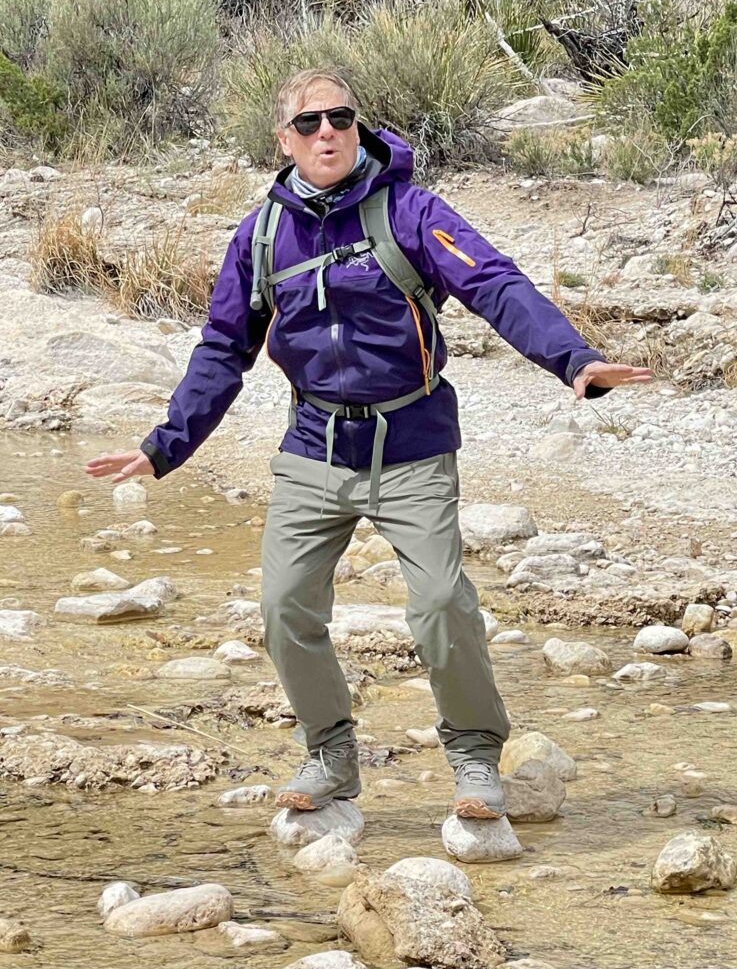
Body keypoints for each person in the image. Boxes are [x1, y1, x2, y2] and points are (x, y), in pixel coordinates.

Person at [86, 69, 652, 819]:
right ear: (282, 140)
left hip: (412, 444)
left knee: (442, 603)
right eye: (311, 123)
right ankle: (329, 756)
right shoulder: (260, 235)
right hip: (314, 448)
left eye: (342, 118)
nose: (328, 133)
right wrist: (164, 446)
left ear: (358, 128)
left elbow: (494, 283)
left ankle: (476, 756)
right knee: (284, 606)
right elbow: (224, 347)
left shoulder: (411, 211)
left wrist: (572, 360)